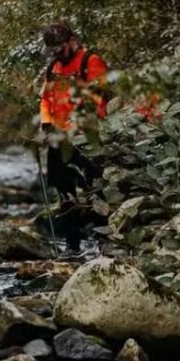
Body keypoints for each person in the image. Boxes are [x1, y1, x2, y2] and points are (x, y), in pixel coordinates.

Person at [38, 21, 109, 254]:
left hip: (87, 137)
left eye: (59, 48)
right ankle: (72, 244)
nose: (57, 54)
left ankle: (104, 242)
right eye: (53, 50)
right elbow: (46, 99)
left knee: (96, 189)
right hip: (60, 139)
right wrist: (46, 123)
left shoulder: (91, 61)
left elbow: (98, 101)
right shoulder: (53, 68)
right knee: (65, 192)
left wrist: (75, 125)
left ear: (70, 42)